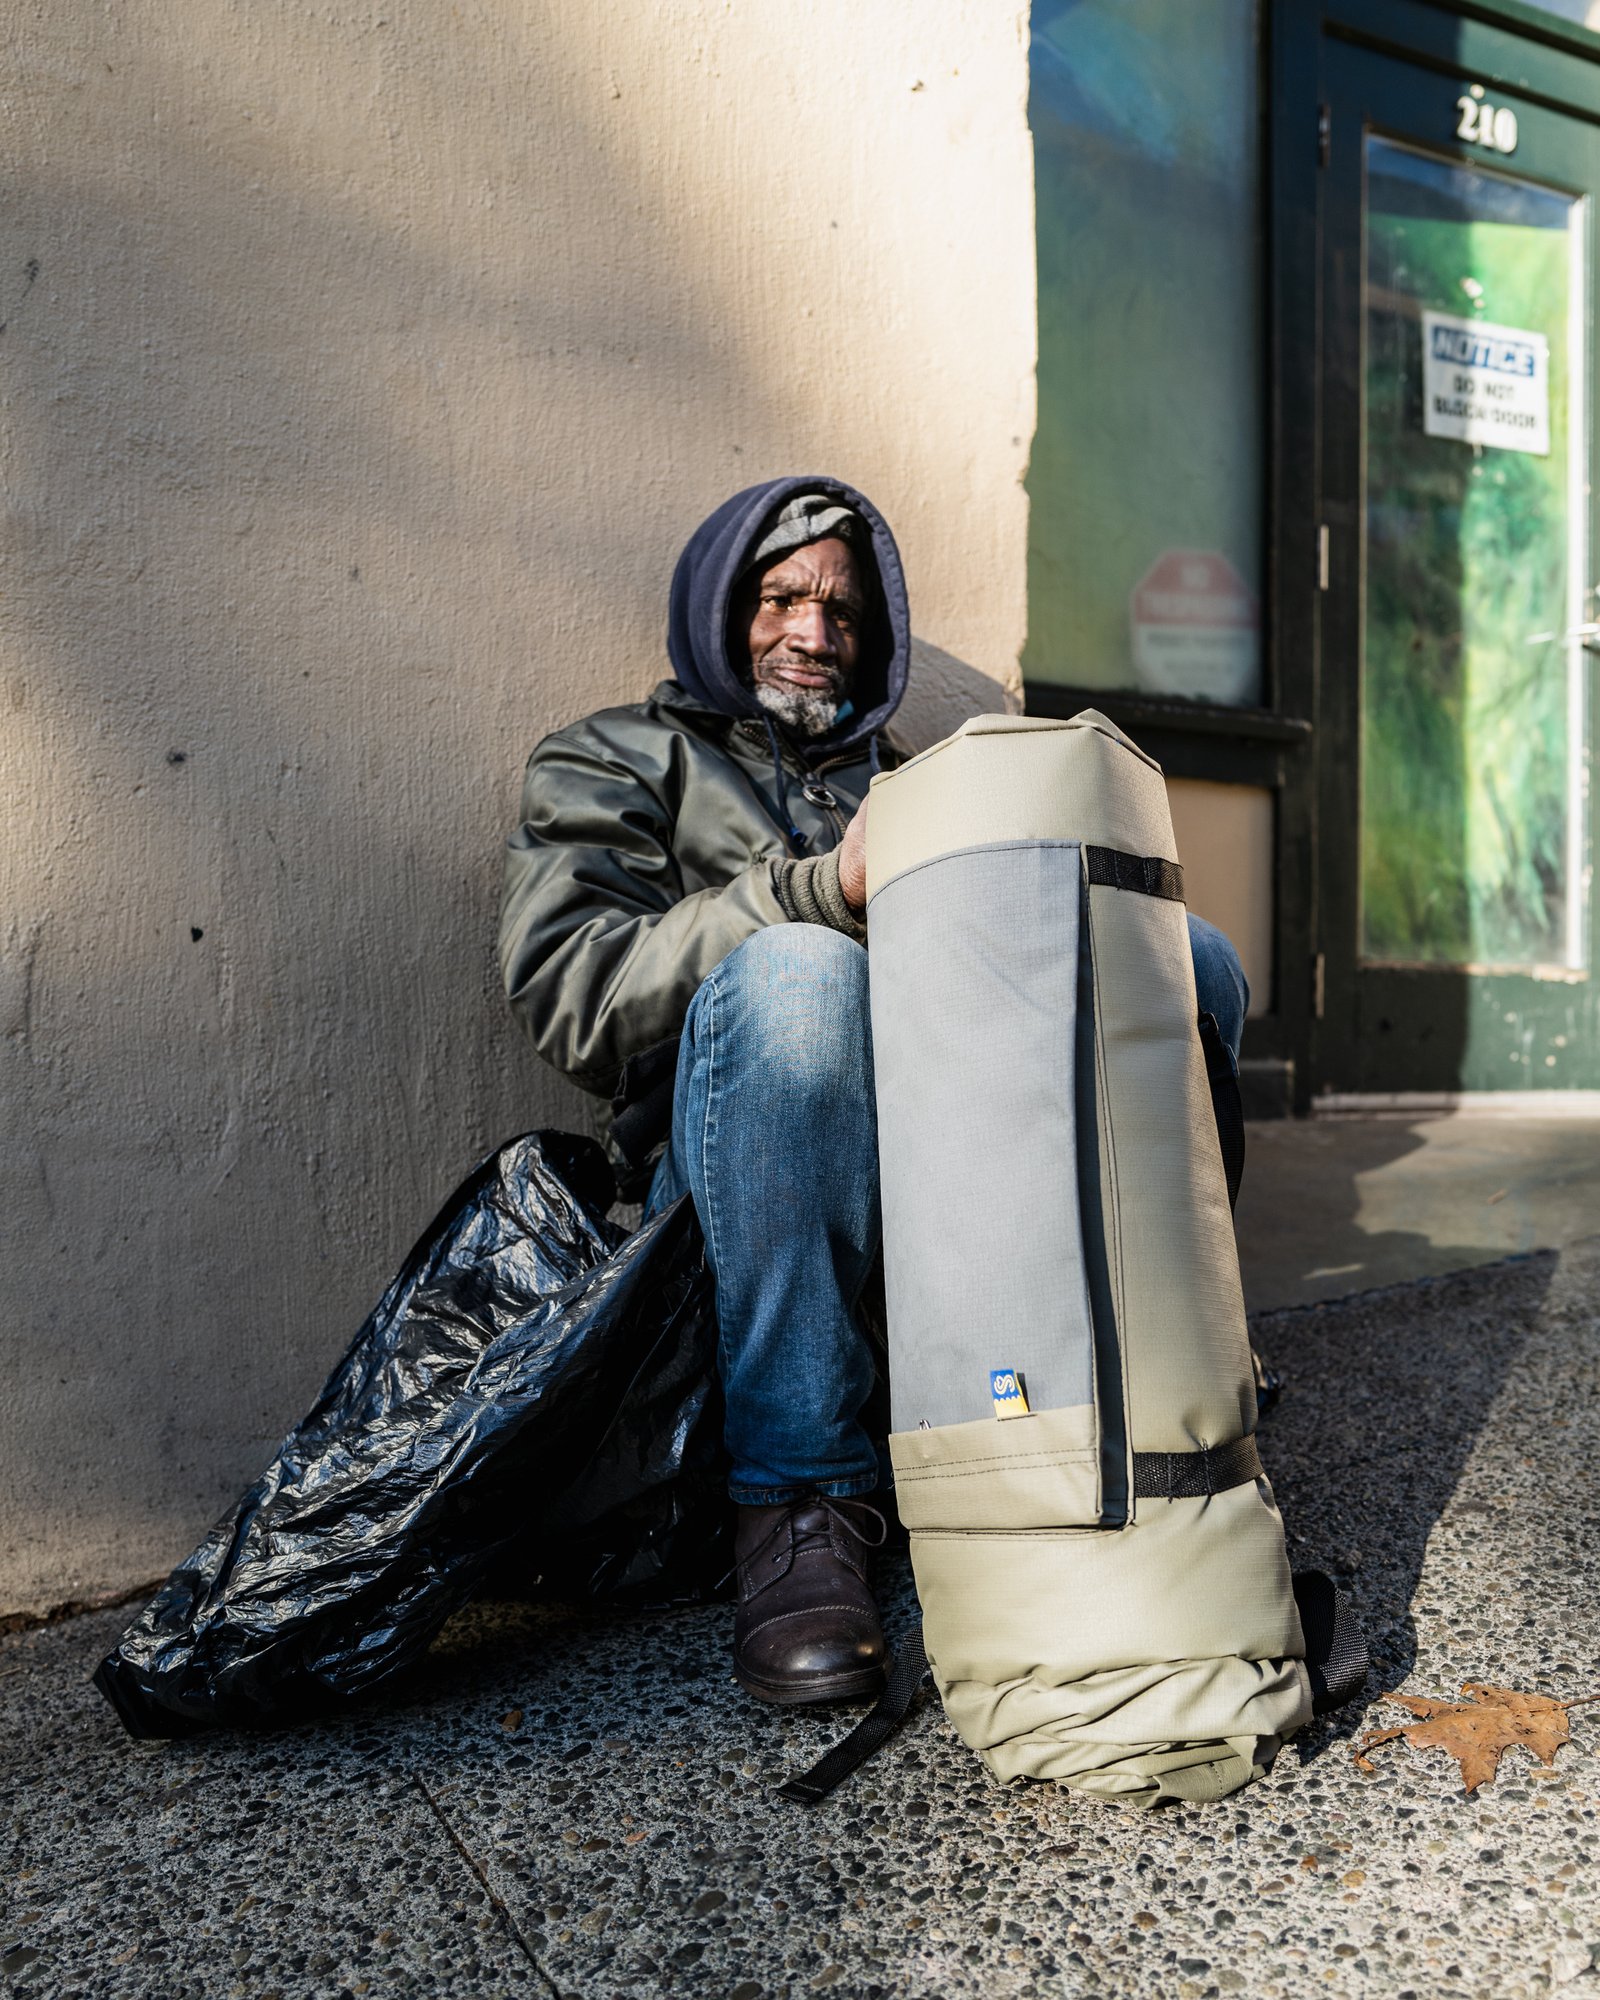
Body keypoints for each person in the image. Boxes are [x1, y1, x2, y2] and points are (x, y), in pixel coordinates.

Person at [498, 476, 1250, 1708]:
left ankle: (1166, 1406)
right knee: (799, 978)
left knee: (1188, 957)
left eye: (842, 610)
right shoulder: (614, 758)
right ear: (717, 607)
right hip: (739, 1180)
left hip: (952, 1163)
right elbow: (572, 997)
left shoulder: (918, 778)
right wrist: (809, 893)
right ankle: (798, 1499)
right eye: (780, 595)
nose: (812, 631)